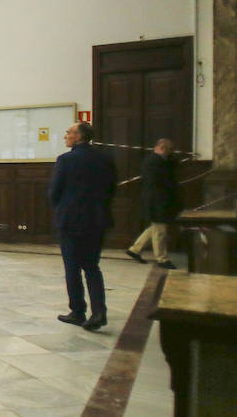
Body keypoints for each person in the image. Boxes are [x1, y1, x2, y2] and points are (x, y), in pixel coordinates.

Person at [49, 122, 118, 330]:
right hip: (97, 219)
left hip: (71, 220)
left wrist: (60, 209)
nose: (65, 136)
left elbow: (54, 191)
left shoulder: (66, 160)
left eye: (69, 132)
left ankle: (78, 311)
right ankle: (99, 312)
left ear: (78, 137)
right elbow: (112, 188)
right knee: (91, 266)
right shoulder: (105, 158)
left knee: (72, 267)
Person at [126, 138, 180, 269]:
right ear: (162, 148)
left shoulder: (160, 160)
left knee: (155, 228)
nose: (170, 153)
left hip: (158, 199)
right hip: (156, 200)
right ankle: (162, 258)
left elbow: (171, 167)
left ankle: (134, 250)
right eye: (169, 150)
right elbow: (162, 180)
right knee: (160, 230)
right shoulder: (154, 162)